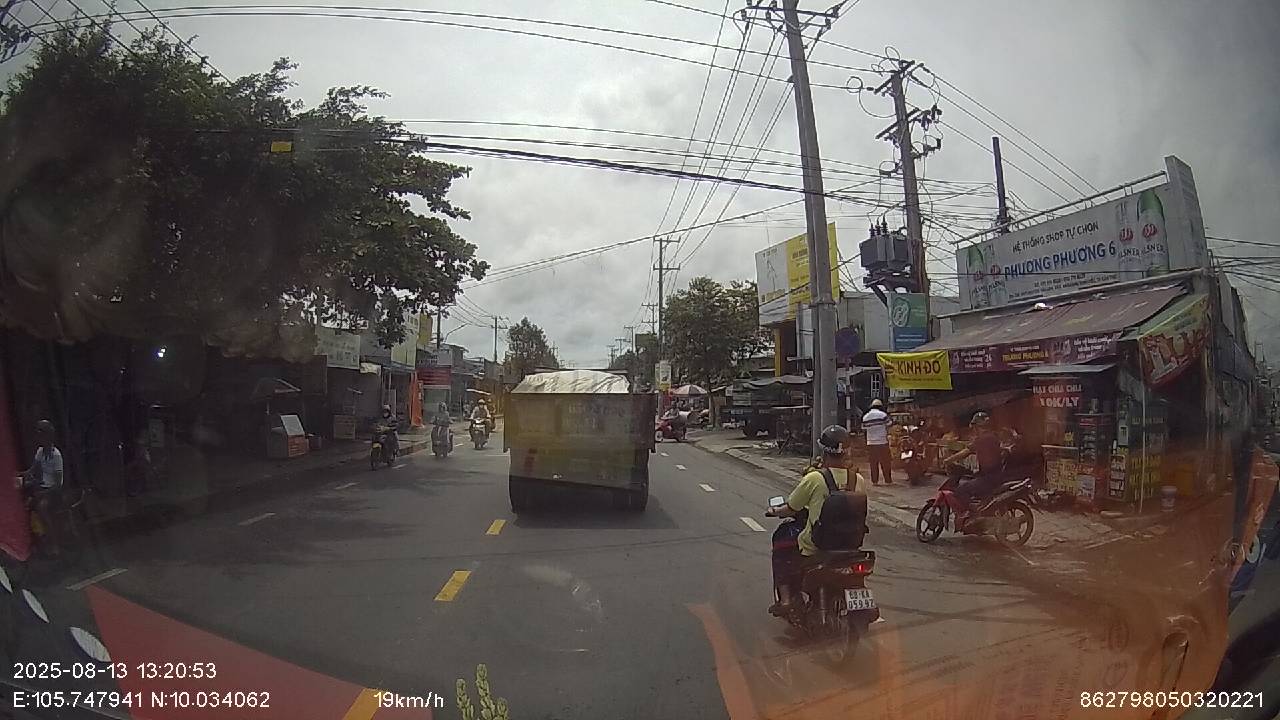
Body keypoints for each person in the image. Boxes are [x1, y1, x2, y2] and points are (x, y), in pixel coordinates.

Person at [765, 424, 865, 614]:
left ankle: (786, 600)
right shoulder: (858, 480)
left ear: (823, 451)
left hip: (817, 545)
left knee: (782, 547)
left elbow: (791, 508)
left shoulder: (814, 478)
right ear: (847, 452)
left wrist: (774, 510)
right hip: (851, 544)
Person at [943, 411, 1006, 516]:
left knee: (961, 490)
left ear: (977, 427)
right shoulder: (993, 436)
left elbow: (965, 452)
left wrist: (948, 460)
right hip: (995, 475)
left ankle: (973, 514)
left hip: (989, 478)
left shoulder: (982, 439)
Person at [20, 419, 64, 555]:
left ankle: (54, 543)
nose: (38, 437)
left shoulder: (56, 456)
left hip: (53, 492)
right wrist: (18, 474)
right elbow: (32, 470)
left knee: (42, 508)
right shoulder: (40, 451)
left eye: (41, 433)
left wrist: (44, 493)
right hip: (41, 487)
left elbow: (58, 484)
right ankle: (36, 539)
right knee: (25, 504)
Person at [862, 398, 893, 485]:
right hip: (882, 442)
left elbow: (864, 428)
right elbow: (889, 424)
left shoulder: (865, 417)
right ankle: (888, 480)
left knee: (873, 463)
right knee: (885, 462)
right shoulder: (883, 415)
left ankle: (875, 481)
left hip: (871, 443)